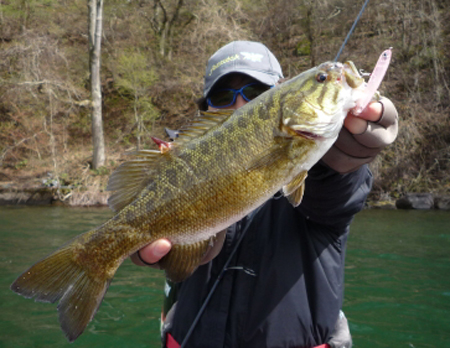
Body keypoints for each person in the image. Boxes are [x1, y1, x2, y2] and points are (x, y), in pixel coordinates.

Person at [131, 41, 398, 348]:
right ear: (205, 111)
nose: (240, 105)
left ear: (282, 97)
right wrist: (167, 247)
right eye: (222, 97)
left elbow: (340, 195)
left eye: (256, 93)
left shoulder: (315, 168)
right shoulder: (182, 171)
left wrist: (345, 157)